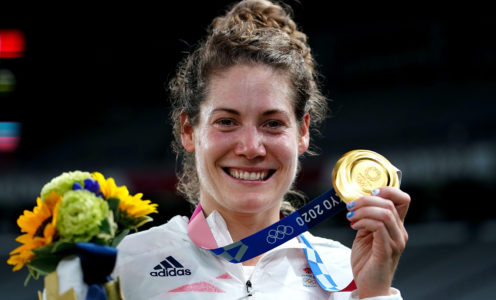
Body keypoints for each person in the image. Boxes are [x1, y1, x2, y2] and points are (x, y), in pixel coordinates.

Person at [113, 0, 410, 299]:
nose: (251, 148)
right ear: (189, 131)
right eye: (227, 121)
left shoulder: (347, 272)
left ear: (302, 132)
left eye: (272, 123)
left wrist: (374, 292)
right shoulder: (127, 264)